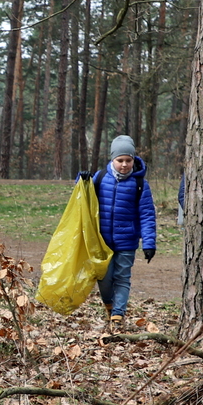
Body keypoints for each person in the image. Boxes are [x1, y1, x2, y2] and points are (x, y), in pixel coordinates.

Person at [85, 135, 157, 324]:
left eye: (128, 160)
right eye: (120, 160)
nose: (124, 165)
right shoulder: (100, 178)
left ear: (134, 160)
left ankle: (118, 313)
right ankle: (109, 304)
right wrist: (82, 179)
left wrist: (149, 243)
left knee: (122, 277)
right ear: (112, 159)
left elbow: (147, 215)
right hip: (102, 241)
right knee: (104, 278)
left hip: (127, 241)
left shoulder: (140, 184)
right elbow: (83, 198)